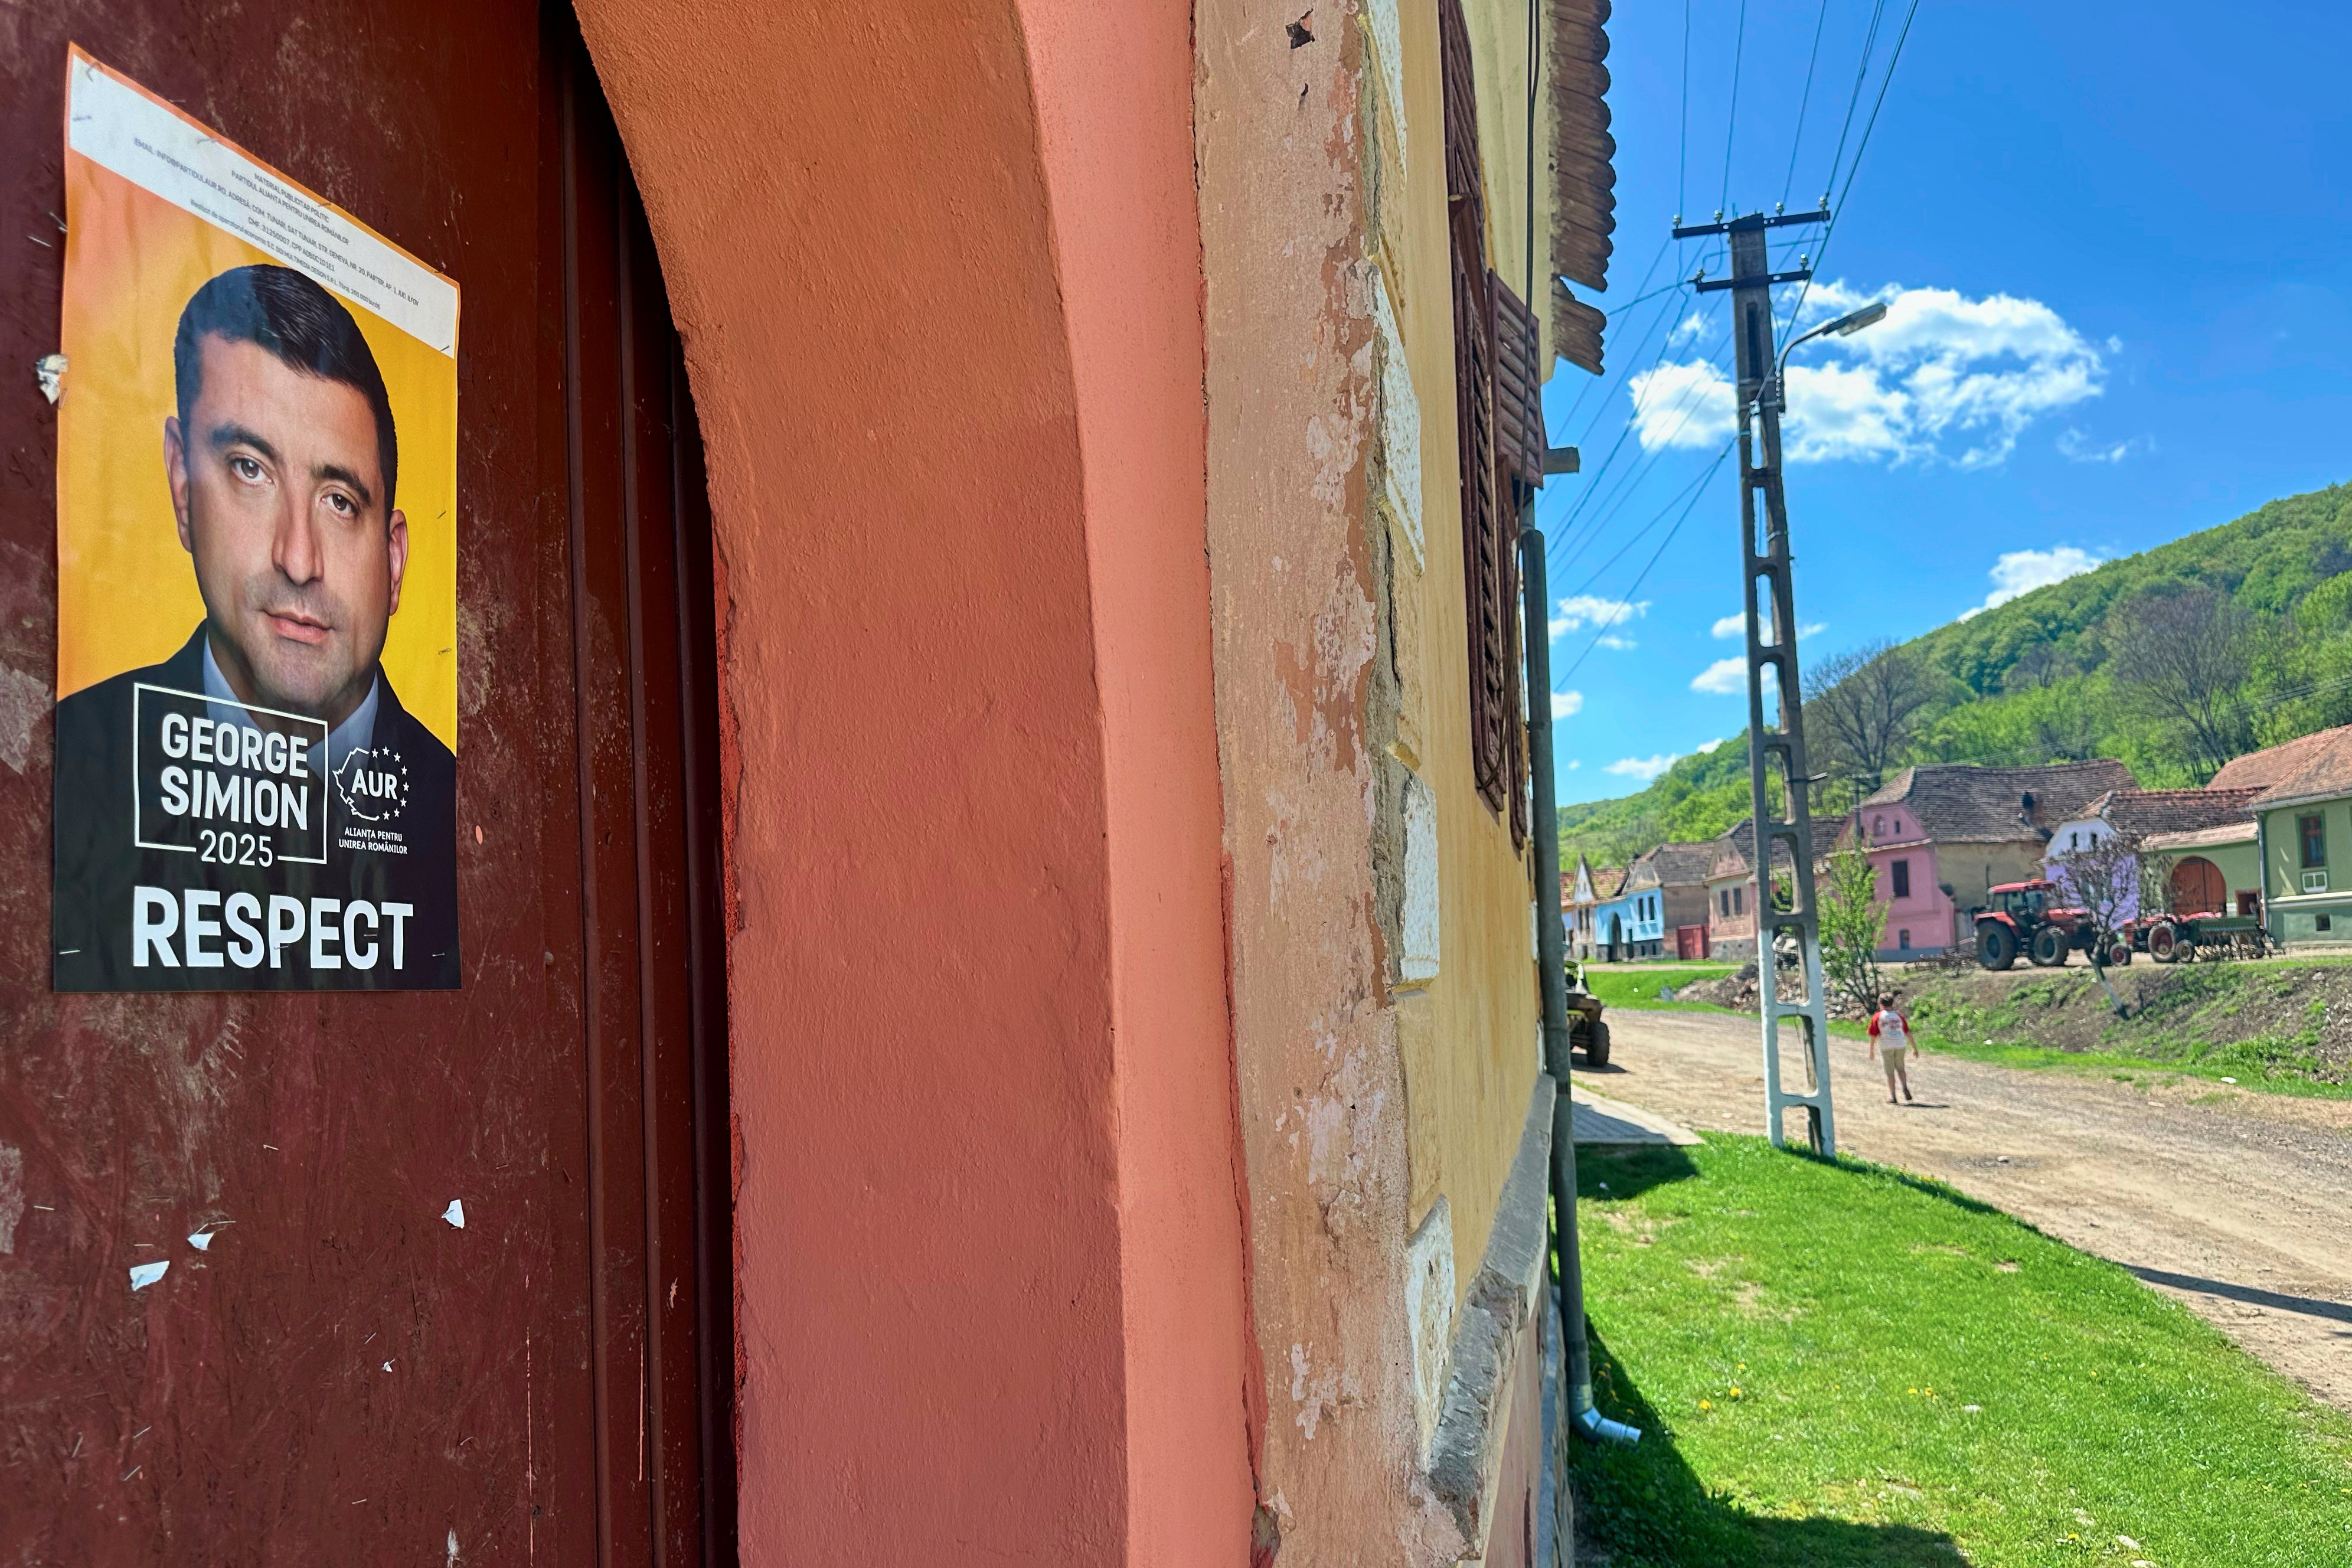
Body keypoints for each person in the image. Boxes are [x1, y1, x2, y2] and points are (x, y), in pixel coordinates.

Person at [52, 263, 457, 990]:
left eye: (340, 500)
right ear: (182, 484)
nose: (298, 559)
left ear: (393, 559)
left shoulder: (457, 809)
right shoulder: (71, 755)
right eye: (249, 468)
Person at [1866, 991, 1919, 1104]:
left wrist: (1871, 1051)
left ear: (1880, 1004)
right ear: (1893, 1004)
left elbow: (1873, 1035)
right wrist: (1915, 1048)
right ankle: (1905, 1087)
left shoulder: (1878, 1016)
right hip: (1901, 1044)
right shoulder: (1898, 1016)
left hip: (1887, 1046)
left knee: (1890, 1072)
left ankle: (1893, 1096)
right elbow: (1908, 1032)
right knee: (1901, 1068)